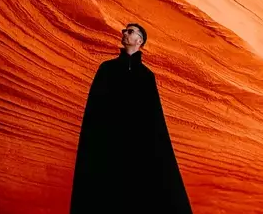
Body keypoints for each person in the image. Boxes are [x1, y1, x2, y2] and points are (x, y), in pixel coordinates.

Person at [69, 22, 192, 213]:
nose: (125, 33)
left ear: (139, 40)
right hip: (109, 145)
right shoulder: (107, 69)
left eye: (130, 31)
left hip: (137, 148)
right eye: (124, 31)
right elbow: (95, 108)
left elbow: (153, 118)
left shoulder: (146, 76)